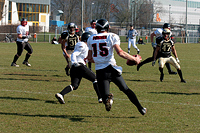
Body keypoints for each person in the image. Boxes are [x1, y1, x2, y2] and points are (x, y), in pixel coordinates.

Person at [87, 19, 147, 115]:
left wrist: (99, 60)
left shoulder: (91, 38)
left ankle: (108, 99)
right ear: (107, 27)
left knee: (104, 97)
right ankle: (141, 108)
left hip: (100, 71)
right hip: (111, 68)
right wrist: (134, 59)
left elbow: (89, 58)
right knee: (126, 89)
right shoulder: (112, 36)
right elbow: (120, 52)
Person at [55, 32, 102, 104]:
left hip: (75, 67)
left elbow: (88, 59)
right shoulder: (82, 45)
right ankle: (100, 98)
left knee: (74, 85)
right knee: (95, 79)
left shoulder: (86, 46)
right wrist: (74, 63)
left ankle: (61, 94)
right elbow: (74, 54)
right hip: (79, 65)